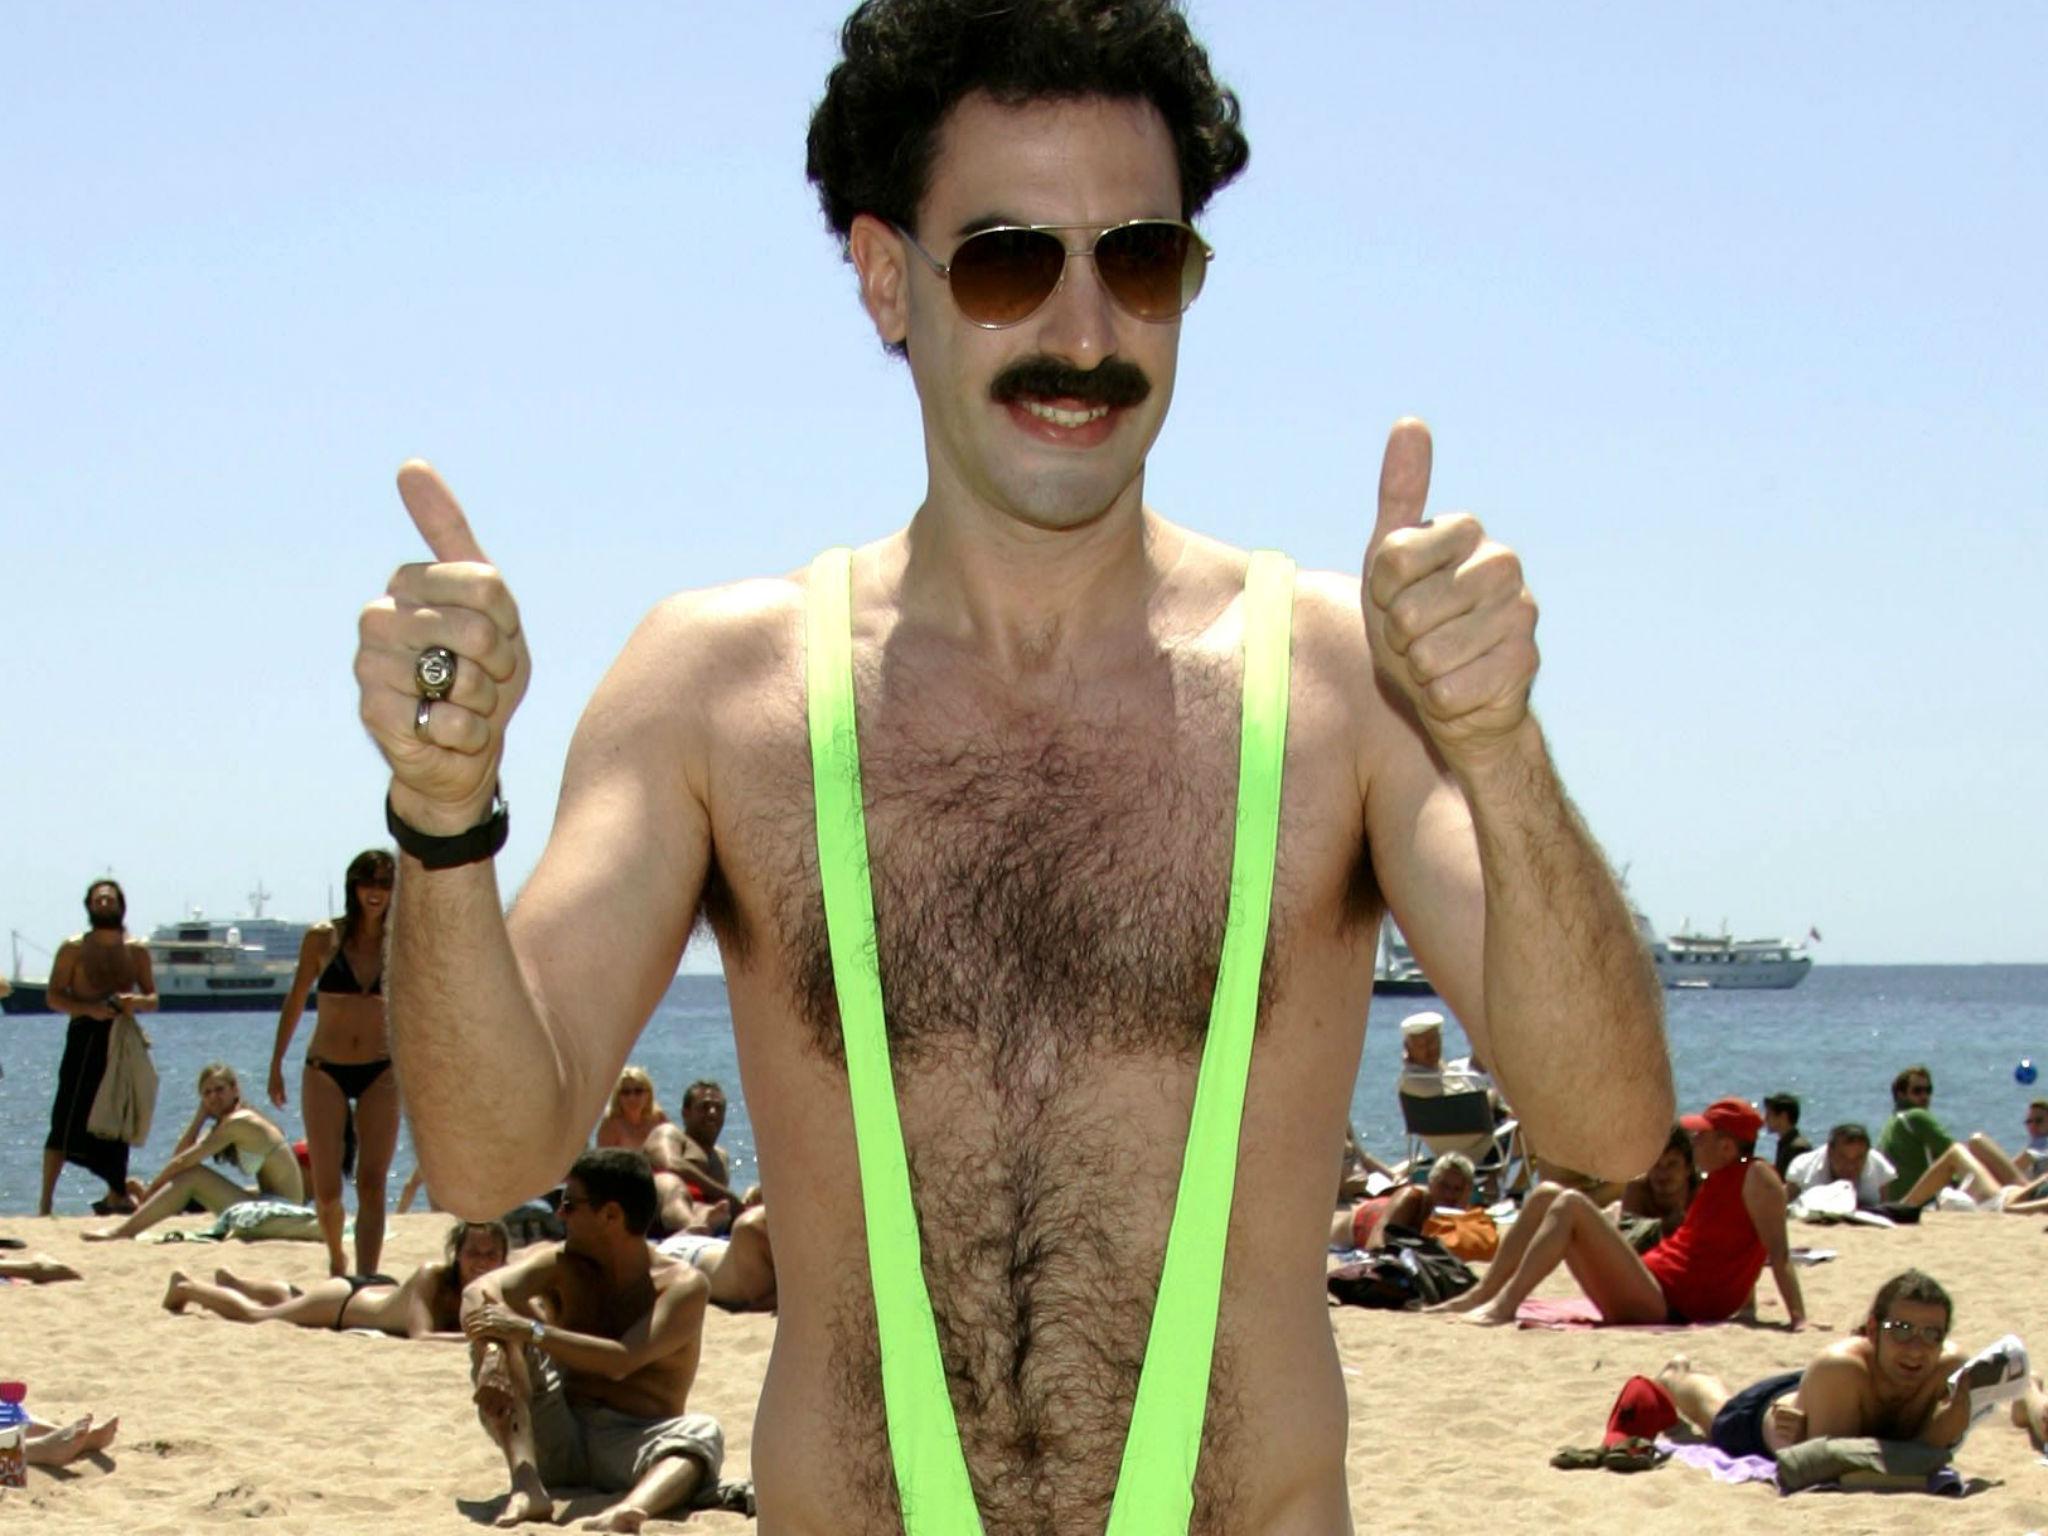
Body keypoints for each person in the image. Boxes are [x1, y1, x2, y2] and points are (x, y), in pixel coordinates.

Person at [358, 4, 1674, 1526]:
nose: (1085, 332)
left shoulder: (1339, 685)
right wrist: (442, 817)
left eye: (1141, 259)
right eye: (1006, 260)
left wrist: (1500, 748)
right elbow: (487, 1150)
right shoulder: (720, 693)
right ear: (885, 278)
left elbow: (1605, 1125)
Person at [463, 1150, 735, 1530]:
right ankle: (526, 1485)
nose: (560, 1215)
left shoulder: (681, 1286)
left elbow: (622, 1361)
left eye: (569, 1205)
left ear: (610, 1215)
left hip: (632, 1445)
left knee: (704, 1431)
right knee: (500, 1330)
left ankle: (629, 1510)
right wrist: (493, 1351)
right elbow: (478, 1291)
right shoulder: (562, 1264)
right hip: (556, 1434)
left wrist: (530, 1330)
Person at [1436, 1096, 1805, 1329]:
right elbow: (1734, 1250)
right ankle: (1483, 1293)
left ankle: (1505, 1305)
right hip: (1650, 1285)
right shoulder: (1719, 1180)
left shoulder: (1757, 1178)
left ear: (1726, 1147)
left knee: (1571, 1204)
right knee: (1547, 1194)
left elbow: (1777, 1251)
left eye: (1702, 1137)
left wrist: (1798, 1319)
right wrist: (1746, 1307)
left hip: (1665, 1303)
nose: (1695, 1143)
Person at [1657, 1270, 1973, 1460]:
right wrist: (1933, 1438)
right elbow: (1841, 1469)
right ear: (1873, 1330)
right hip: (1763, 1418)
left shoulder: (1951, 1369)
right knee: (1714, 1411)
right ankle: (1675, 1375)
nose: (1916, 1350)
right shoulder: (1842, 1367)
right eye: (1901, 1331)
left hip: (1822, 1389)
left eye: (1932, 1334)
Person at [268, 848, 401, 1278]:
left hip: (382, 1070)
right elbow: (295, 1001)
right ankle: (337, 1258)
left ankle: (365, 1277)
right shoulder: (323, 938)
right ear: (353, 887)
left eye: (385, 884)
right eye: (368, 882)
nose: (376, 892)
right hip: (325, 1069)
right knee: (327, 1192)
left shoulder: (401, 943)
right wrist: (276, 1062)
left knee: (372, 1183)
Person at [161, 1218, 511, 1337]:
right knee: (258, 1316)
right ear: (457, 1254)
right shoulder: (431, 1276)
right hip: (344, 1303)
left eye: (490, 1254)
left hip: (378, 1289)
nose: (482, 1262)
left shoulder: (500, 1284)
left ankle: (236, 1284)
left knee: (295, 1302)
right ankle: (187, 1287)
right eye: (473, 1253)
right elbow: (421, 1336)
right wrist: (476, 1337)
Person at [39, 879, 157, 1216]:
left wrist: (134, 1002)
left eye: (110, 899)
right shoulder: (73, 948)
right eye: (98, 900)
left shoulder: (136, 951)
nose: (104, 904)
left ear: (121, 905)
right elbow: (54, 996)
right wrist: (89, 1009)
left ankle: (116, 1193)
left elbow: (153, 998)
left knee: (117, 1116)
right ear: (89, 906)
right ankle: (46, 1202)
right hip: (84, 1036)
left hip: (121, 1039)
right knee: (66, 1116)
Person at [82, 1063, 303, 1241]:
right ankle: (129, 1225)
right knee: (191, 1175)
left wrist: (150, 1193)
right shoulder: (230, 1123)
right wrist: (199, 1118)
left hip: (283, 1213)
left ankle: (123, 1231)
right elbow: (180, 1157)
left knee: (194, 1176)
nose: (213, 1097)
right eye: (207, 1093)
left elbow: (182, 1163)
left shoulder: (240, 1122)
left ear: (235, 1089)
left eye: (220, 1089)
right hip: (275, 1206)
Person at [1877, 1065, 2036, 1209]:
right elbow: (1953, 1152)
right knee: (1977, 1141)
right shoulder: (1916, 1117)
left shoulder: (1889, 1127)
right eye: (1917, 1091)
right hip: (1929, 1201)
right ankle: (2029, 1192)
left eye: (1928, 1090)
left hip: (1901, 1200)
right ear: (1901, 1095)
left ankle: (2026, 1190)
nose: (1925, 1096)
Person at [1329, 1153, 1475, 1251]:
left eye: (1458, 1189)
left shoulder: (1465, 1213)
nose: (1449, 1194)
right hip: (1355, 1226)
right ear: (1431, 1182)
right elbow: (1375, 1245)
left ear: (1467, 1192)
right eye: (1444, 1186)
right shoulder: (1411, 1197)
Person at [659, 1204, 780, 1313]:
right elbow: (761, 1302)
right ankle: (703, 1222)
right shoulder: (750, 1231)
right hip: (679, 1255)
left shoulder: (754, 1230)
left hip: (696, 1250)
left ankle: (704, 1222)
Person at [1609, 1123, 1697, 1252]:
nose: (1662, 1173)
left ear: (1688, 1168)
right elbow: (1628, 1240)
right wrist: (1665, 1225)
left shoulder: (1700, 1195)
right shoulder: (1638, 1190)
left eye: (1672, 1164)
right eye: (1656, 1164)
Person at [1784, 1122, 1897, 1210]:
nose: (1850, 1166)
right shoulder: (1803, 1168)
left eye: (1858, 1158)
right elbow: (1785, 1207)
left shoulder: (1879, 1166)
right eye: (1843, 1158)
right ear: (1830, 1152)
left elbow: (1885, 1208)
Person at [595, 1065, 670, 1152]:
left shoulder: (659, 1119)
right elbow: (604, 1158)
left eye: (638, 1091)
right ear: (617, 1096)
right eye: (625, 1092)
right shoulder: (611, 1125)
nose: (632, 1098)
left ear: (648, 1094)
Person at [1763, 1092, 1811, 1180]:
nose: (1765, 1119)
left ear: (1783, 1116)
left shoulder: (1798, 1148)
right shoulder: (1786, 1144)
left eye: (1769, 1114)